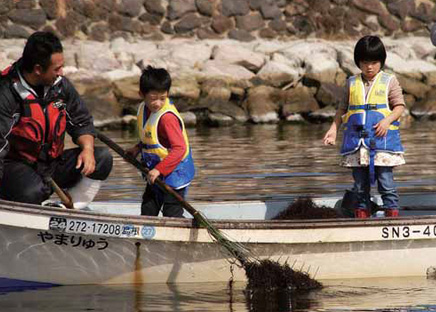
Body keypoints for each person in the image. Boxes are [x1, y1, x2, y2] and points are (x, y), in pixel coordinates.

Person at [0, 31, 113, 208]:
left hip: (52, 165)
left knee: (103, 158)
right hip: (17, 168)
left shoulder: (61, 86)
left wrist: (88, 149)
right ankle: (33, 207)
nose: (62, 72)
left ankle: (71, 207)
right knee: (34, 190)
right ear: (38, 69)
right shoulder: (6, 93)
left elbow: (81, 121)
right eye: (56, 68)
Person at [323, 35, 406, 219]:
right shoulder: (351, 83)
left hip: (382, 143)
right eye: (365, 62)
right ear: (358, 62)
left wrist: (386, 121)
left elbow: (399, 106)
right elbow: (342, 109)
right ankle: (362, 217)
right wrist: (333, 130)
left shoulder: (389, 81)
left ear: (381, 62)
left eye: (374, 62)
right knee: (360, 186)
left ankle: (392, 215)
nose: (369, 67)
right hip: (357, 144)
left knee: (386, 182)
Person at [126, 66, 195, 217]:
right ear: (141, 95)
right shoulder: (144, 110)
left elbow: (179, 149)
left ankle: (177, 236)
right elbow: (151, 138)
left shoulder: (167, 118)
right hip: (156, 171)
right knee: (148, 208)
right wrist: (137, 148)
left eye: (162, 98)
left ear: (168, 94)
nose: (158, 103)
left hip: (175, 172)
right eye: (153, 98)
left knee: (172, 212)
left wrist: (159, 170)